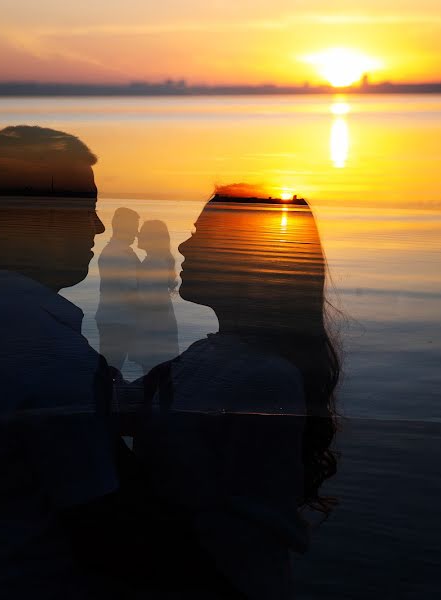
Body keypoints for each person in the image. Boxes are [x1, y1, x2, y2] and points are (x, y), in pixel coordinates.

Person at [0, 126, 125, 599]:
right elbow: (101, 525)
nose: (99, 226)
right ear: (44, 219)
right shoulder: (44, 350)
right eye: (87, 206)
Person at [134, 188, 341, 599]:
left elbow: (247, 532)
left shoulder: (263, 377)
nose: (184, 245)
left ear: (246, 257)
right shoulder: (208, 357)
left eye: (203, 234)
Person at [96, 207, 141, 370]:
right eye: (135, 227)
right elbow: (130, 292)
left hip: (114, 319)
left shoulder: (120, 251)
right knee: (111, 368)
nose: (137, 232)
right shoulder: (120, 255)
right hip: (117, 322)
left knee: (109, 368)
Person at [131, 220, 179, 373]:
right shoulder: (155, 260)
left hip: (154, 325)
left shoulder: (153, 263)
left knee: (153, 369)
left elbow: (150, 298)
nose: (138, 235)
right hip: (158, 322)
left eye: (142, 232)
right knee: (159, 370)